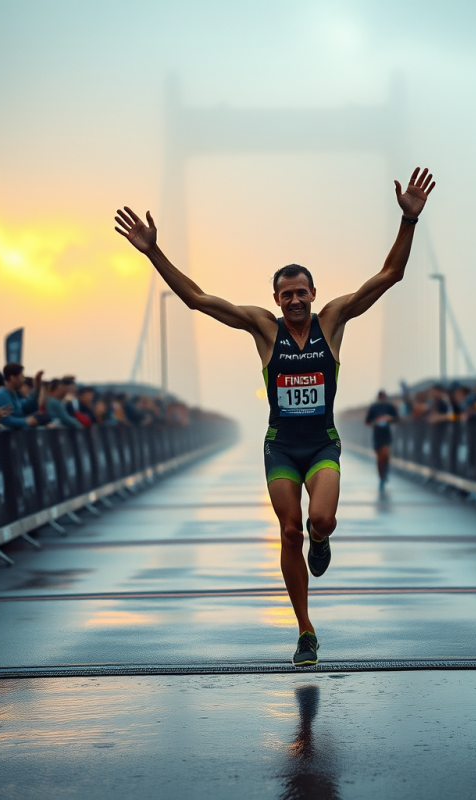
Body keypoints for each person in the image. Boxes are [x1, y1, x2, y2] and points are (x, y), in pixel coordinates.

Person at [115, 166, 436, 666]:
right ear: (275, 299)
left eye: (301, 291)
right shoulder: (264, 329)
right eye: (285, 294)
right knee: (289, 530)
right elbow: (198, 300)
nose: (294, 300)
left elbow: (389, 276)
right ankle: (305, 630)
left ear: (313, 292)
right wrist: (153, 251)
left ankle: (321, 539)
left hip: (322, 442)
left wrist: (409, 222)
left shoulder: (333, 319)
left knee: (320, 520)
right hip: (281, 446)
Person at [365, 390, 399, 491]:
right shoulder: (373, 407)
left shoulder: (390, 407)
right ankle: (381, 478)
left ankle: (386, 470)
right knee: (379, 458)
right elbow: (367, 421)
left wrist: (390, 419)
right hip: (377, 434)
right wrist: (374, 423)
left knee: (385, 455)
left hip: (386, 434)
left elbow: (397, 418)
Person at [0, 363, 43, 428]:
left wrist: (36, 389)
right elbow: (4, 420)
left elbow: (25, 406)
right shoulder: (2, 395)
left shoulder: (14, 394)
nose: (23, 380)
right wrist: (25, 421)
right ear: (12, 378)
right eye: (21, 376)